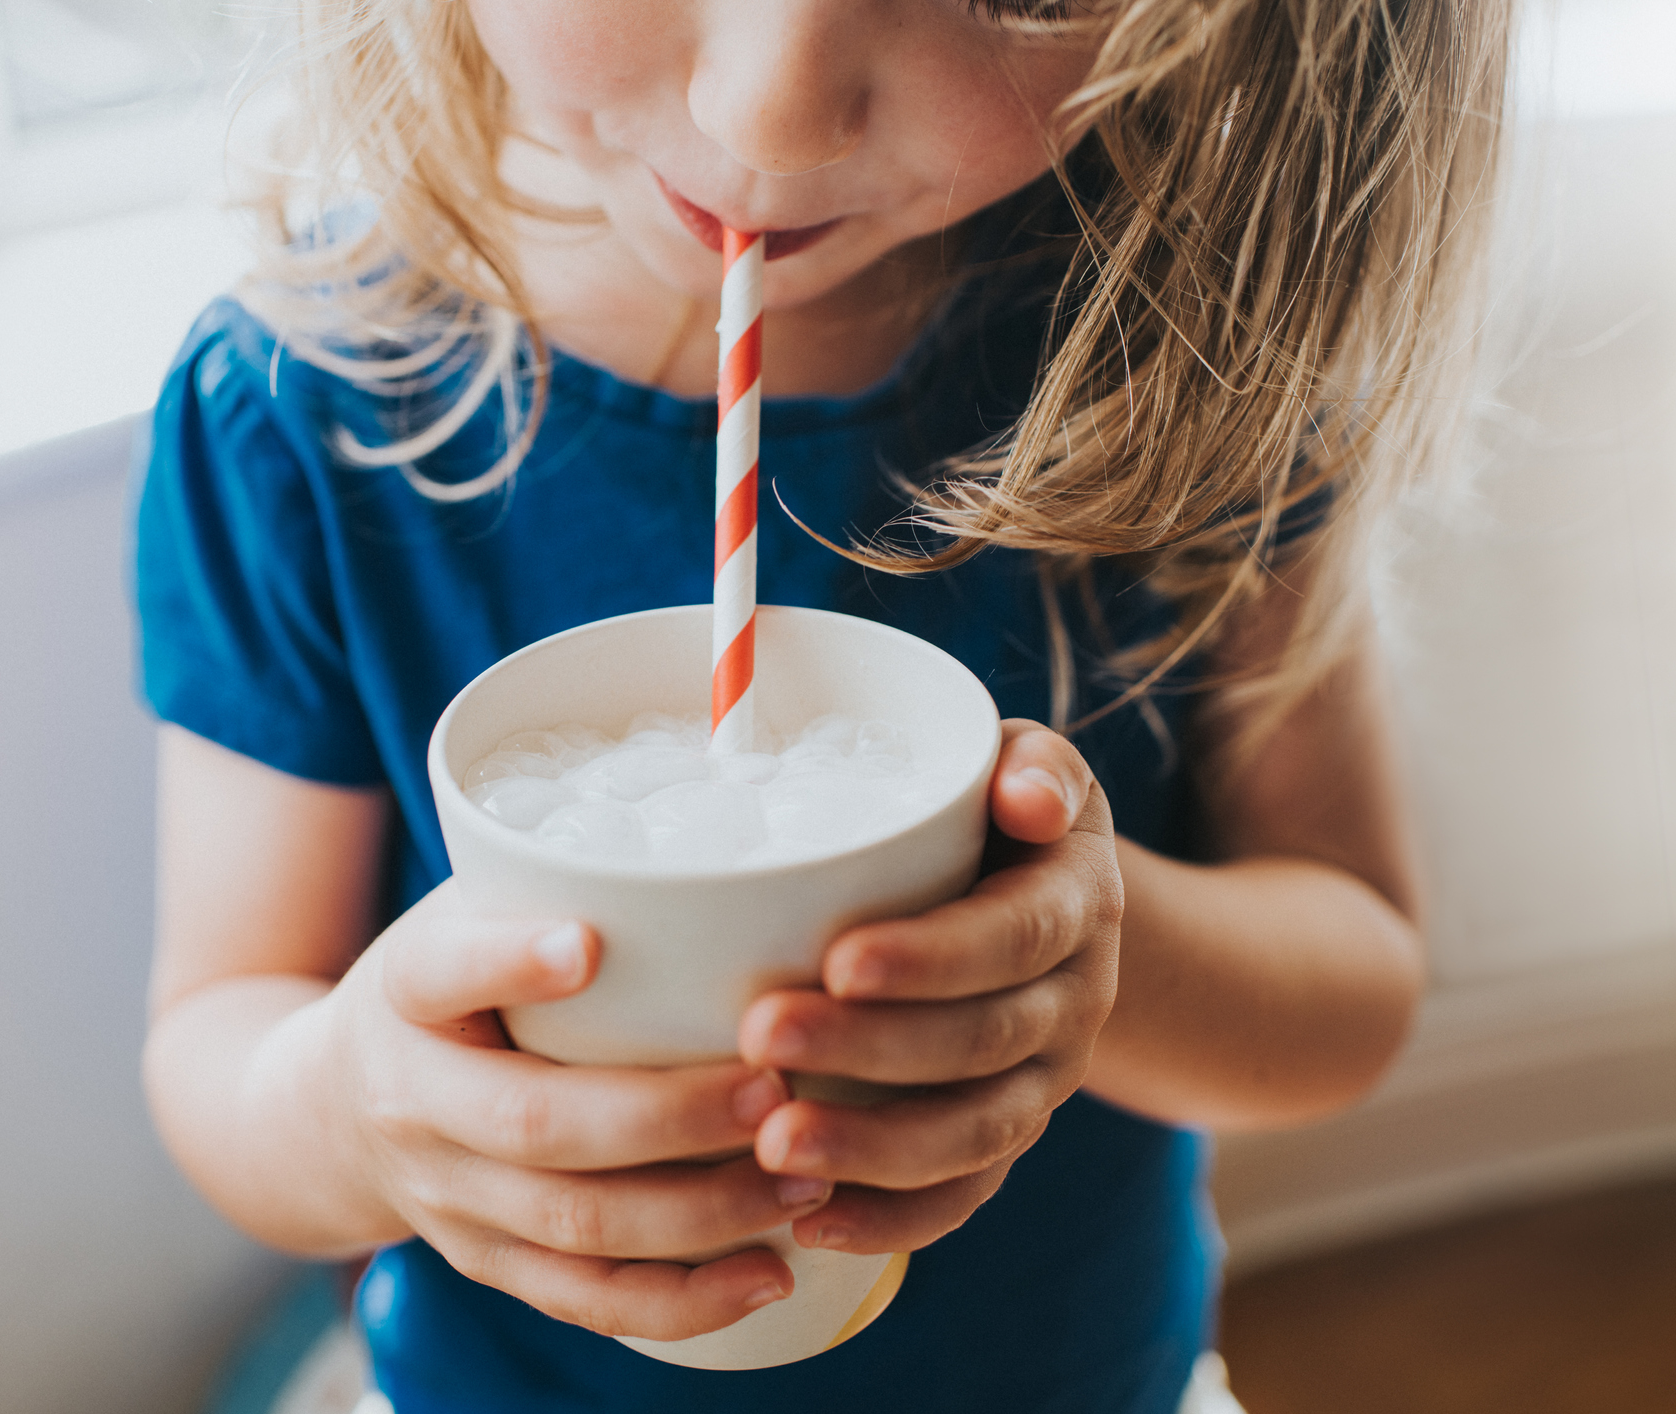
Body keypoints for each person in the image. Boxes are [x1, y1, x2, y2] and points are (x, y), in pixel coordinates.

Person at [133, 1, 1509, 1410]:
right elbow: (225, 1029)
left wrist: (1081, 954)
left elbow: (1353, 981)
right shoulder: (301, 403)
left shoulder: (1193, 365)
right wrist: (351, 1115)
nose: (769, 114)